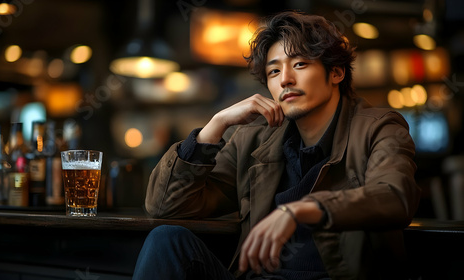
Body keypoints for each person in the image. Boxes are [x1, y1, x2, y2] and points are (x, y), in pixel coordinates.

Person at [132, 10, 420, 280]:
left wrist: (299, 210)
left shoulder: (378, 127)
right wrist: (216, 124)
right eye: (273, 72)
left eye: (300, 64)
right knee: (167, 239)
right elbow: (164, 207)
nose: (285, 80)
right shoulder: (254, 139)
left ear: (336, 73)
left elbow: (394, 196)